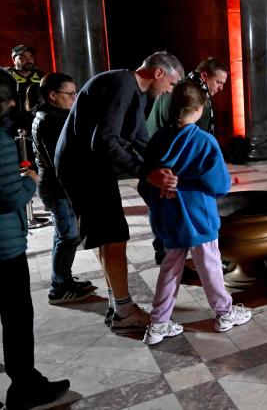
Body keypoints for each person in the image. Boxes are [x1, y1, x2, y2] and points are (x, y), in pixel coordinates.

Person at [55, 52, 184, 331]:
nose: (169, 92)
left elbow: (139, 138)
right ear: (159, 73)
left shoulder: (137, 92)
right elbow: (104, 140)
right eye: (172, 84)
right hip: (83, 167)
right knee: (114, 236)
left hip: (90, 166)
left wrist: (165, 165)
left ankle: (118, 306)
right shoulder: (121, 84)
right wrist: (147, 172)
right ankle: (124, 312)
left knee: (107, 235)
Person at [140, 81, 251, 345]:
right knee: (210, 265)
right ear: (200, 109)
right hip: (199, 216)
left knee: (170, 268)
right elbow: (220, 185)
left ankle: (158, 323)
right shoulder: (204, 140)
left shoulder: (157, 139)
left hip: (169, 215)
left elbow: (146, 181)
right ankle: (225, 313)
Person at [0, 70, 71, 409]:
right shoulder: (0, 139)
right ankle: (25, 385)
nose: (13, 103)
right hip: (3, 249)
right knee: (16, 318)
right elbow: (9, 197)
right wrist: (30, 179)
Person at [145, 57, 228, 265]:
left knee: (168, 222)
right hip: (175, 177)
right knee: (200, 243)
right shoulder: (189, 96)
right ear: (204, 76)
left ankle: (167, 252)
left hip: (163, 169)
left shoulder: (180, 90)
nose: (221, 88)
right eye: (218, 82)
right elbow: (188, 138)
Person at [32, 73, 95, 304]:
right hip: (57, 187)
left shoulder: (51, 115)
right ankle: (58, 287)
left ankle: (63, 279)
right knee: (68, 236)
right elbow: (61, 160)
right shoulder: (51, 119)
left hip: (55, 185)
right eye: (69, 94)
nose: (74, 97)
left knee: (64, 235)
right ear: (52, 95)